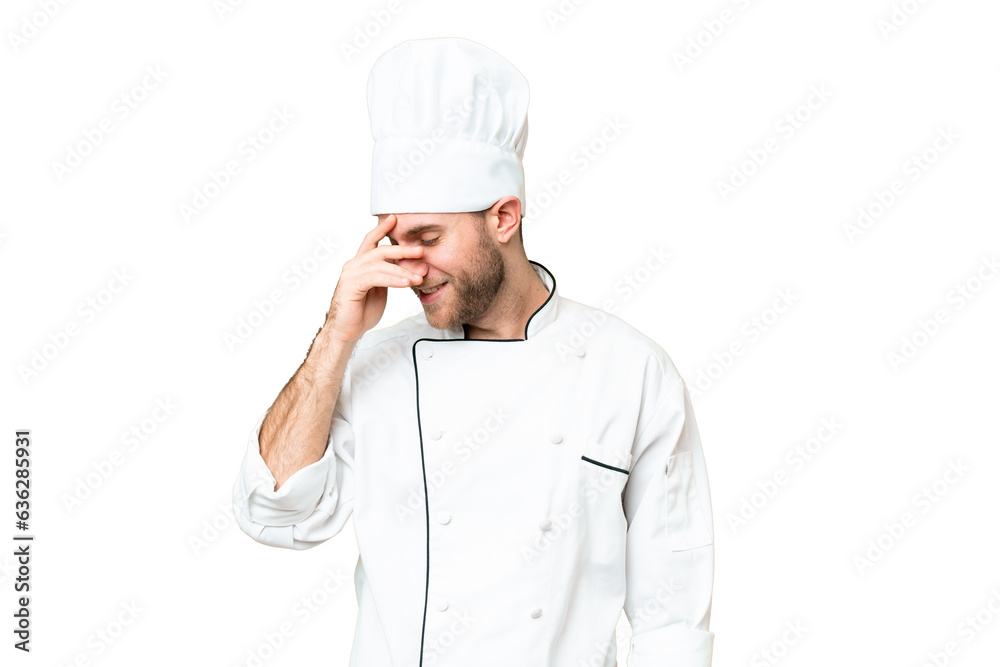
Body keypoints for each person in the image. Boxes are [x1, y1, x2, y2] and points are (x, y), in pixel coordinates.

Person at [233, 36, 716, 667]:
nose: (410, 267)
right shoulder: (371, 364)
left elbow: (671, 616)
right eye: (395, 242)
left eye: (429, 237)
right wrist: (335, 337)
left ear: (504, 218)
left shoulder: (629, 370)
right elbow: (275, 512)